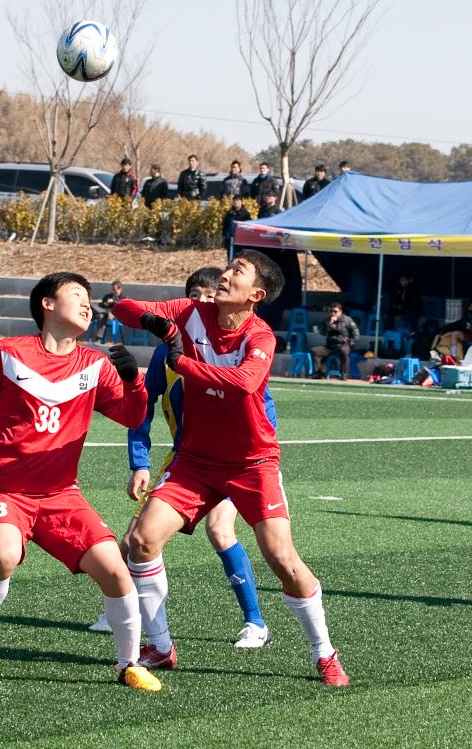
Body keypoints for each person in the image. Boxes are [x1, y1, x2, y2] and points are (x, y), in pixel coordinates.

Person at [0, 272, 162, 693]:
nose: (88, 304)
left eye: (88, 298)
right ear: (47, 304)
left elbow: (133, 416)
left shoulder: (95, 364)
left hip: (62, 494)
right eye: (77, 295)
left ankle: (128, 664)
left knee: (116, 572)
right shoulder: (9, 353)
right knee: (3, 555)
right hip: (6, 489)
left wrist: (134, 380)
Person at [111, 251, 350, 687]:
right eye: (227, 268)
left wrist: (180, 360)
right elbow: (124, 309)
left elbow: (243, 384)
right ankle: (161, 648)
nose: (224, 276)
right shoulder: (190, 312)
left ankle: (324, 652)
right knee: (141, 541)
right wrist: (159, 326)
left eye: (236, 272)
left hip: (252, 462)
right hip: (196, 461)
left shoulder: (260, 335)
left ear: (256, 294)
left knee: (281, 558)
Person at [89, 266, 274, 648]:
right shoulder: (166, 354)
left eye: (208, 298)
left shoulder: (238, 346)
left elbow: (259, 404)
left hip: (241, 460)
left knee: (220, 530)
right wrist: (139, 463)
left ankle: (255, 622)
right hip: (189, 457)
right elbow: (142, 408)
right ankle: (127, 612)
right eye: (196, 299)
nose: (203, 306)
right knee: (134, 538)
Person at [310, 302, 360, 380]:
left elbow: (356, 333)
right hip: (330, 346)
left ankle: (344, 374)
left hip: (343, 345)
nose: (333, 313)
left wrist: (351, 343)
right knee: (315, 351)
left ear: (340, 311)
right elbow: (322, 333)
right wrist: (329, 324)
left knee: (344, 351)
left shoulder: (347, 320)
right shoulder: (327, 320)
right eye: (331, 311)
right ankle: (319, 373)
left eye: (335, 311)